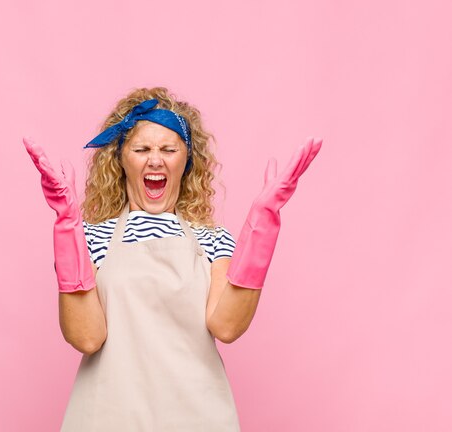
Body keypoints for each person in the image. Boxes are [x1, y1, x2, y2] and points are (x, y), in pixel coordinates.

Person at [23, 87, 322, 431]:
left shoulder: (213, 241)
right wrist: (66, 227)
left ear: (186, 159)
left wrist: (263, 225)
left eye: (168, 149)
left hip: (197, 416)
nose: (155, 160)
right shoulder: (90, 239)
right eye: (141, 149)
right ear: (121, 158)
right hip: (109, 416)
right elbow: (87, 336)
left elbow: (226, 326)